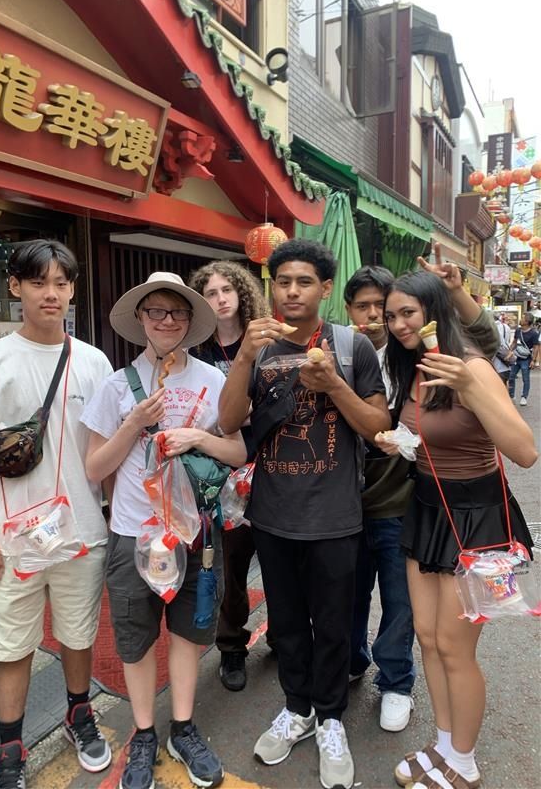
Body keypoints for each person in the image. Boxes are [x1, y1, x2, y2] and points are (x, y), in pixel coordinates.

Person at [219, 239, 390, 789]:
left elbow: (378, 429)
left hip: (336, 515)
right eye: (283, 281)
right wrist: (244, 355)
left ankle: (332, 717)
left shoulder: (351, 346)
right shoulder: (259, 345)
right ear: (272, 286)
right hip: (272, 514)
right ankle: (298, 707)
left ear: (323, 289)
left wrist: (334, 384)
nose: (292, 291)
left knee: (336, 623)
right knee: (287, 623)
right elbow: (227, 422)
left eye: (304, 282)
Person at [0, 240, 114, 788]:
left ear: (71, 290)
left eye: (61, 283)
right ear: (15, 287)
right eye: (38, 282)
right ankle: (11, 749)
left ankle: (78, 712)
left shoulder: (93, 361)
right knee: (11, 646)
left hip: (82, 532)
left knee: (78, 635)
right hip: (13, 538)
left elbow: (106, 446)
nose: (52, 294)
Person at [81, 272, 246, 789]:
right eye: (156, 312)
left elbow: (238, 452)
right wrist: (134, 424)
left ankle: (182, 726)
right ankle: (145, 732)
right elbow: (93, 468)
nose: (167, 321)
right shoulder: (115, 386)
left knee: (187, 631)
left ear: (191, 321)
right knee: (134, 639)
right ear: (141, 321)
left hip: (193, 533)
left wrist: (197, 435)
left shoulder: (213, 381)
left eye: (176, 312)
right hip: (134, 531)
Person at [376, 270, 536, 789]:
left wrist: (471, 385)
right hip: (427, 507)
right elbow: (429, 435)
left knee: (454, 645)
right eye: (392, 314)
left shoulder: (470, 367)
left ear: (434, 313)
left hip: (479, 519)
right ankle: (444, 745)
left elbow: (525, 452)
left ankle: (463, 763)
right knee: (426, 636)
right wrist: (400, 442)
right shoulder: (414, 367)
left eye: (409, 313)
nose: (399, 324)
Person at [344, 252, 500, 734]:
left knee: (403, 605)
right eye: (367, 308)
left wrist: (455, 290)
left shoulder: (422, 358)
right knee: (348, 594)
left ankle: (395, 681)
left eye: (388, 309)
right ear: (347, 309)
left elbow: (485, 343)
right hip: (345, 505)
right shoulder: (340, 350)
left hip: (405, 503)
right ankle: (351, 662)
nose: (378, 319)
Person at [188, 261, 270, 692]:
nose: (219, 298)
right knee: (231, 563)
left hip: (272, 466)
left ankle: (282, 631)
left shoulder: (263, 342)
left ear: (241, 293)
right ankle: (232, 646)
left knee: (278, 559)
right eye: (210, 292)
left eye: (226, 290)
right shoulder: (196, 350)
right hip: (221, 471)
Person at [508, 311, 540, 405]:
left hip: (526, 359)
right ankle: (512, 396)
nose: (520, 319)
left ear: (527, 321)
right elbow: (514, 342)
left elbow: (536, 347)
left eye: (522, 318)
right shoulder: (518, 330)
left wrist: (533, 360)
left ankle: (524, 397)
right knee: (511, 376)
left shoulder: (534, 333)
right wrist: (510, 350)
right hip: (516, 357)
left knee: (525, 378)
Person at [492, 312, 512, 384]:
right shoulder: (506, 327)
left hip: (496, 364)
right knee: (504, 384)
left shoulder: (491, 328)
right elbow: (508, 341)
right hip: (506, 360)